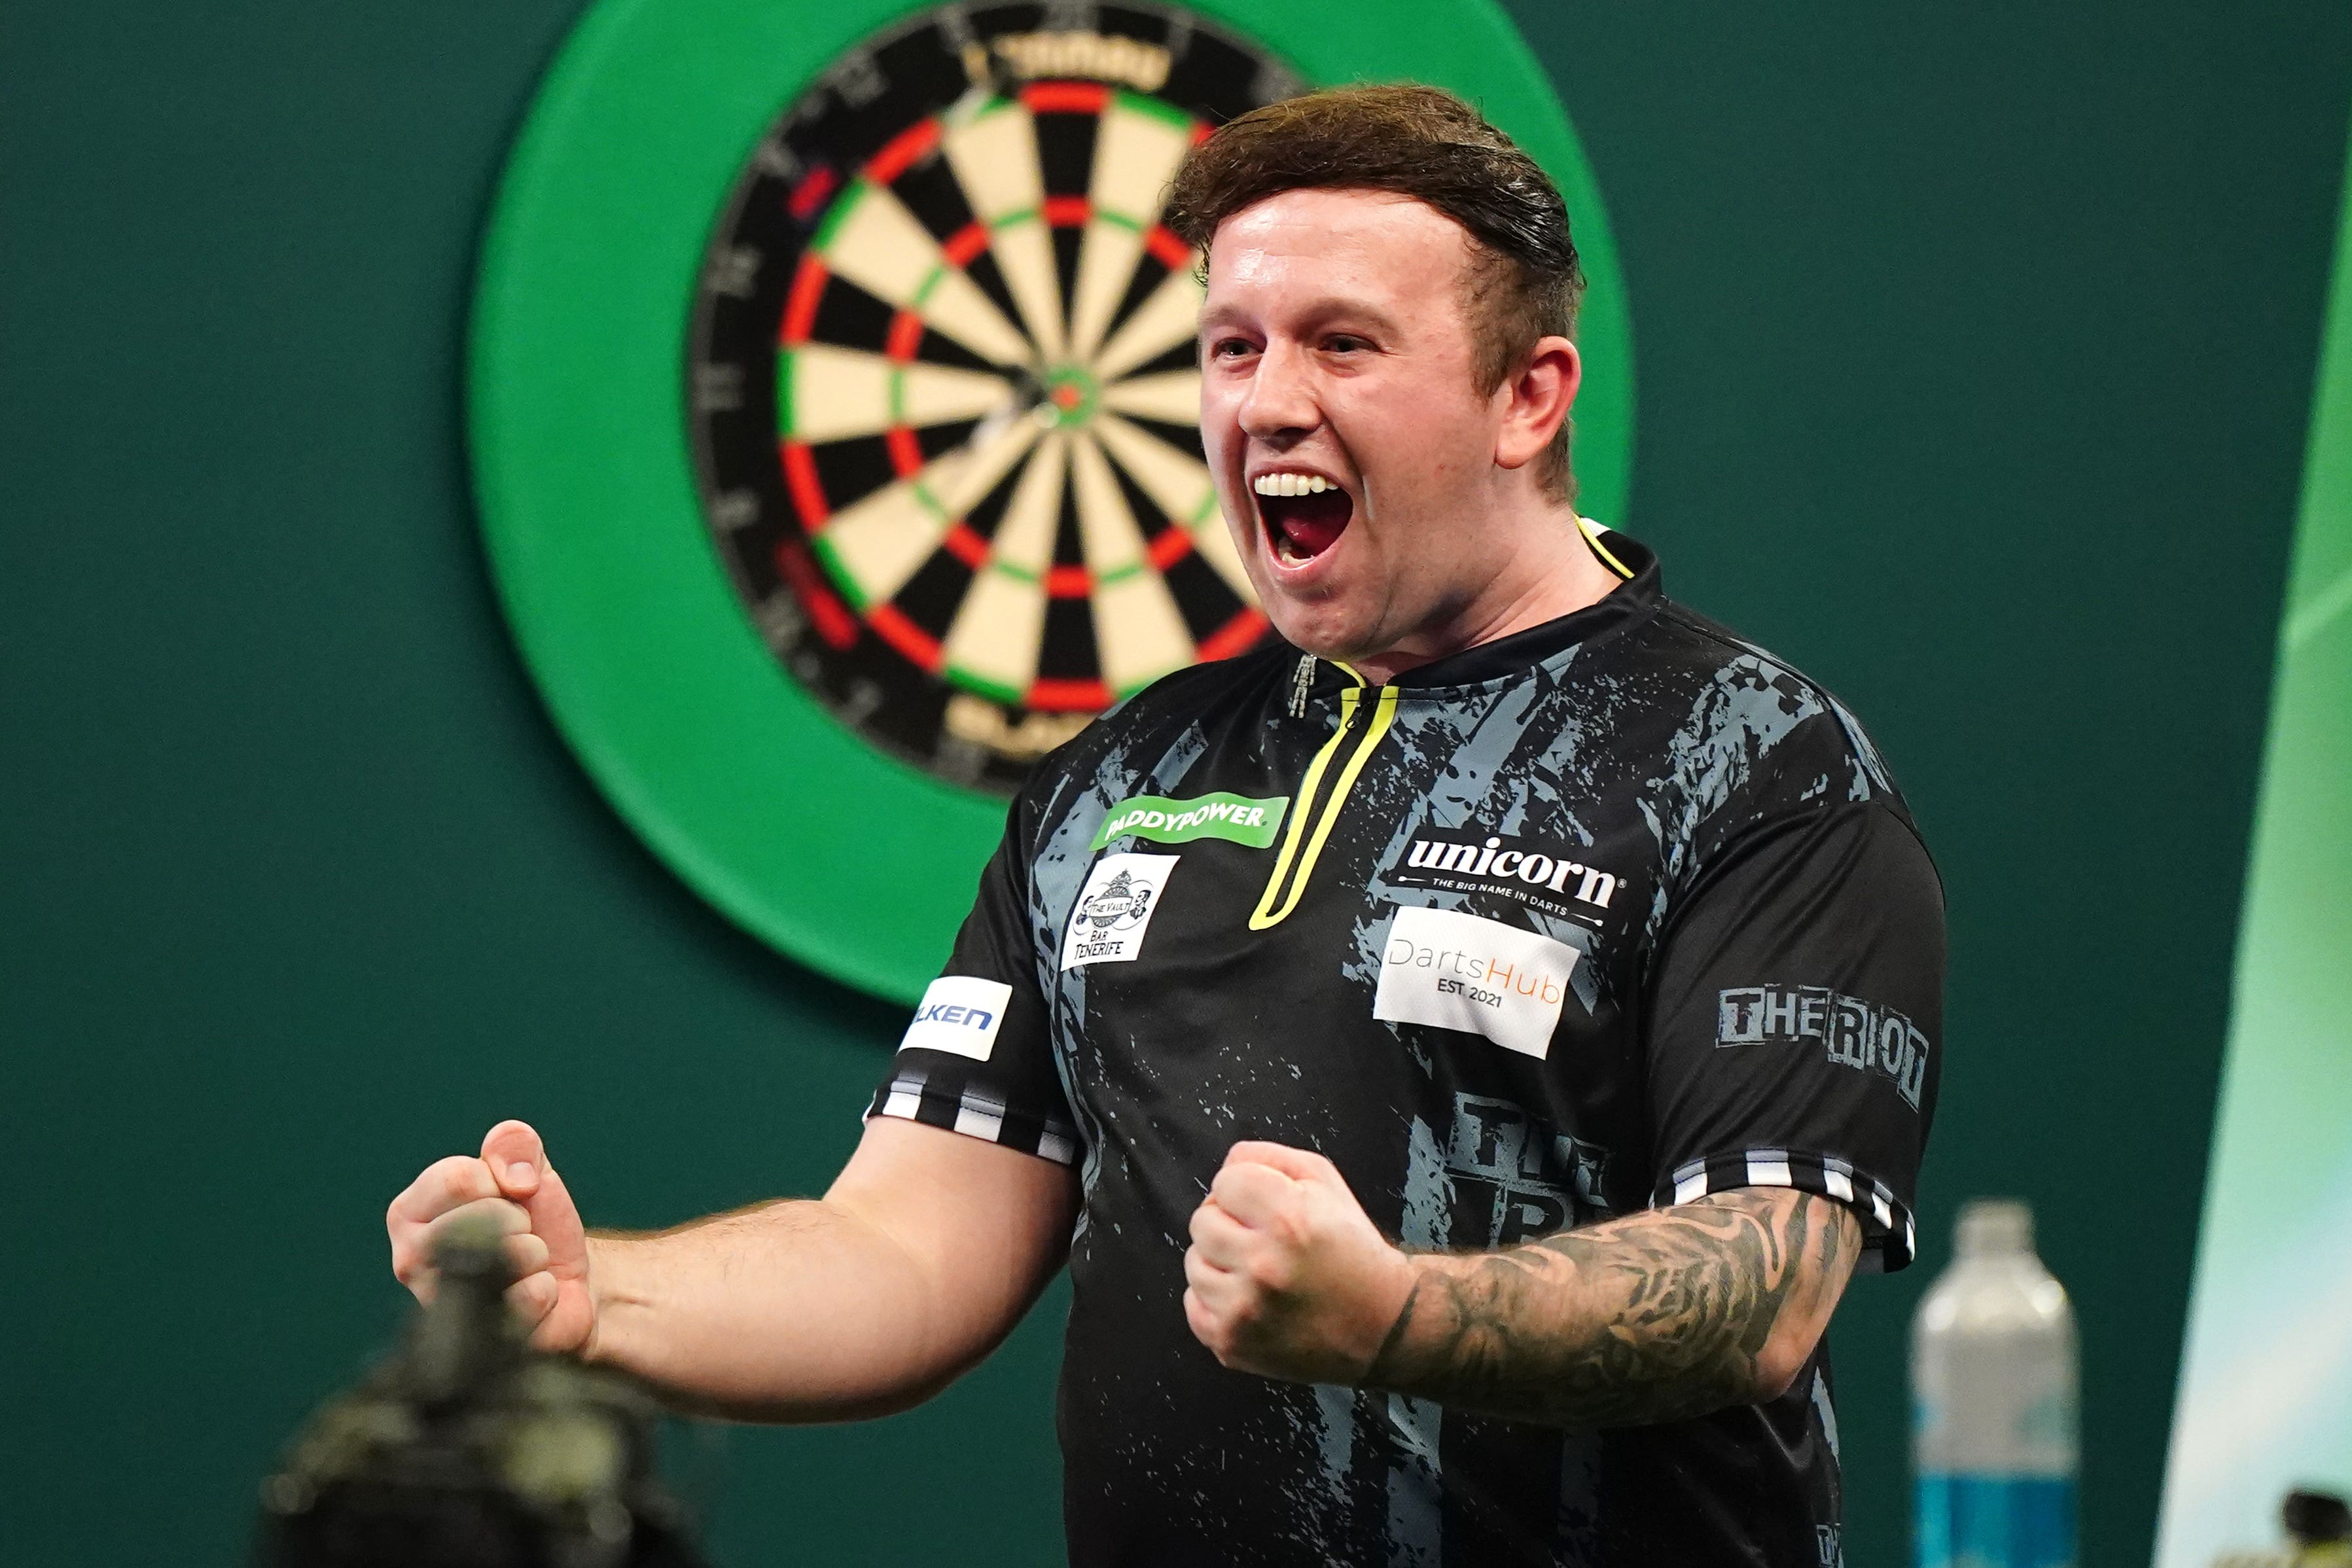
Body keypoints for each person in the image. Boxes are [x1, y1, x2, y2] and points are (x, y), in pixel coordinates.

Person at [389, 84, 1942, 1566]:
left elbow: (1762, 1282)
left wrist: (1390, 1313)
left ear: (1528, 396)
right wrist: (600, 1303)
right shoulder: (1114, 783)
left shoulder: (1754, 762)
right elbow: (903, 1256)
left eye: (1344, 344)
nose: (1268, 403)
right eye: (1230, 346)